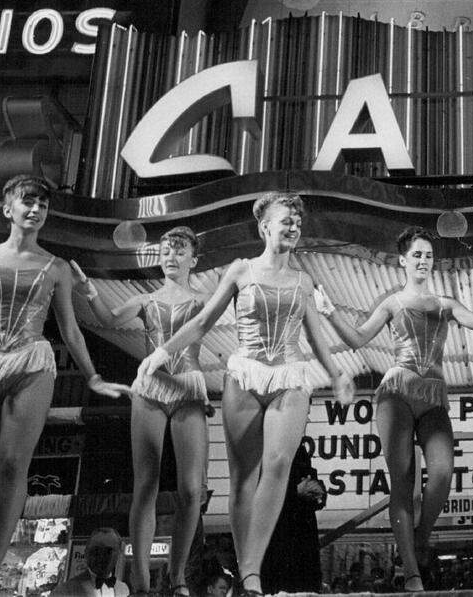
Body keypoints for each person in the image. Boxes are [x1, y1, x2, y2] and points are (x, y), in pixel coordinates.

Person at [137, 191, 352, 597]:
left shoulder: (304, 281)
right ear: (264, 226)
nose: (292, 227)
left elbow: (316, 337)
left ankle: (252, 572)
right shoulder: (241, 270)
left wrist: (338, 373)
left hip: (289, 373)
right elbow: (202, 322)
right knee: (242, 480)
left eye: (297, 222)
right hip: (245, 374)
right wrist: (163, 352)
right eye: (285, 220)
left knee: (277, 464)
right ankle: (245, 566)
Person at [315, 226, 473, 592]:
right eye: (417, 254)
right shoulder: (392, 303)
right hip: (397, 391)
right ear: (403, 260)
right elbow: (358, 338)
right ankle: (411, 574)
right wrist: (329, 312)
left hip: (434, 396)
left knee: (442, 473)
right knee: (402, 482)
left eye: (428, 255)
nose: (423, 260)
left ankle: (421, 538)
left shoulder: (446, 304)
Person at [0, 176, 129, 597]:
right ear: (8, 209)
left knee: (12, 467)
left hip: (33, 362)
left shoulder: (55, 268)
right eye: (28, 201)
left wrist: (92, 376)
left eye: (42, 203)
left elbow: (70, 330)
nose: (36, 209)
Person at [73, 227, 209, 597]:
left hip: (188, 386)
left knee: (192, 490)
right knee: (144, 485)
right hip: (150, 388)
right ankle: (142, 578)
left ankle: (178, 574)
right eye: (166, 250)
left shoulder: (203, 301)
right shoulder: (146, 299)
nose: (171, 256)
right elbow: (108, 318)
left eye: (180, 250)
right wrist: (90, 291)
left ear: (193, 260)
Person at [261, 444, 326, 594]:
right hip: (277, 539)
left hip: (304, 540)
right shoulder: (262, 448)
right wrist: (295, 491)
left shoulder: (299, 449)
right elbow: (260, 493)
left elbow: (310, 480)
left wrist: (319, 492)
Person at [52, 528, 129, 597]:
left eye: (108, 551)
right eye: (96, 550)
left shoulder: (123, 590)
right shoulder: (64, 591)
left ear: (118, 555)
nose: (101, 556)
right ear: (86, 553)